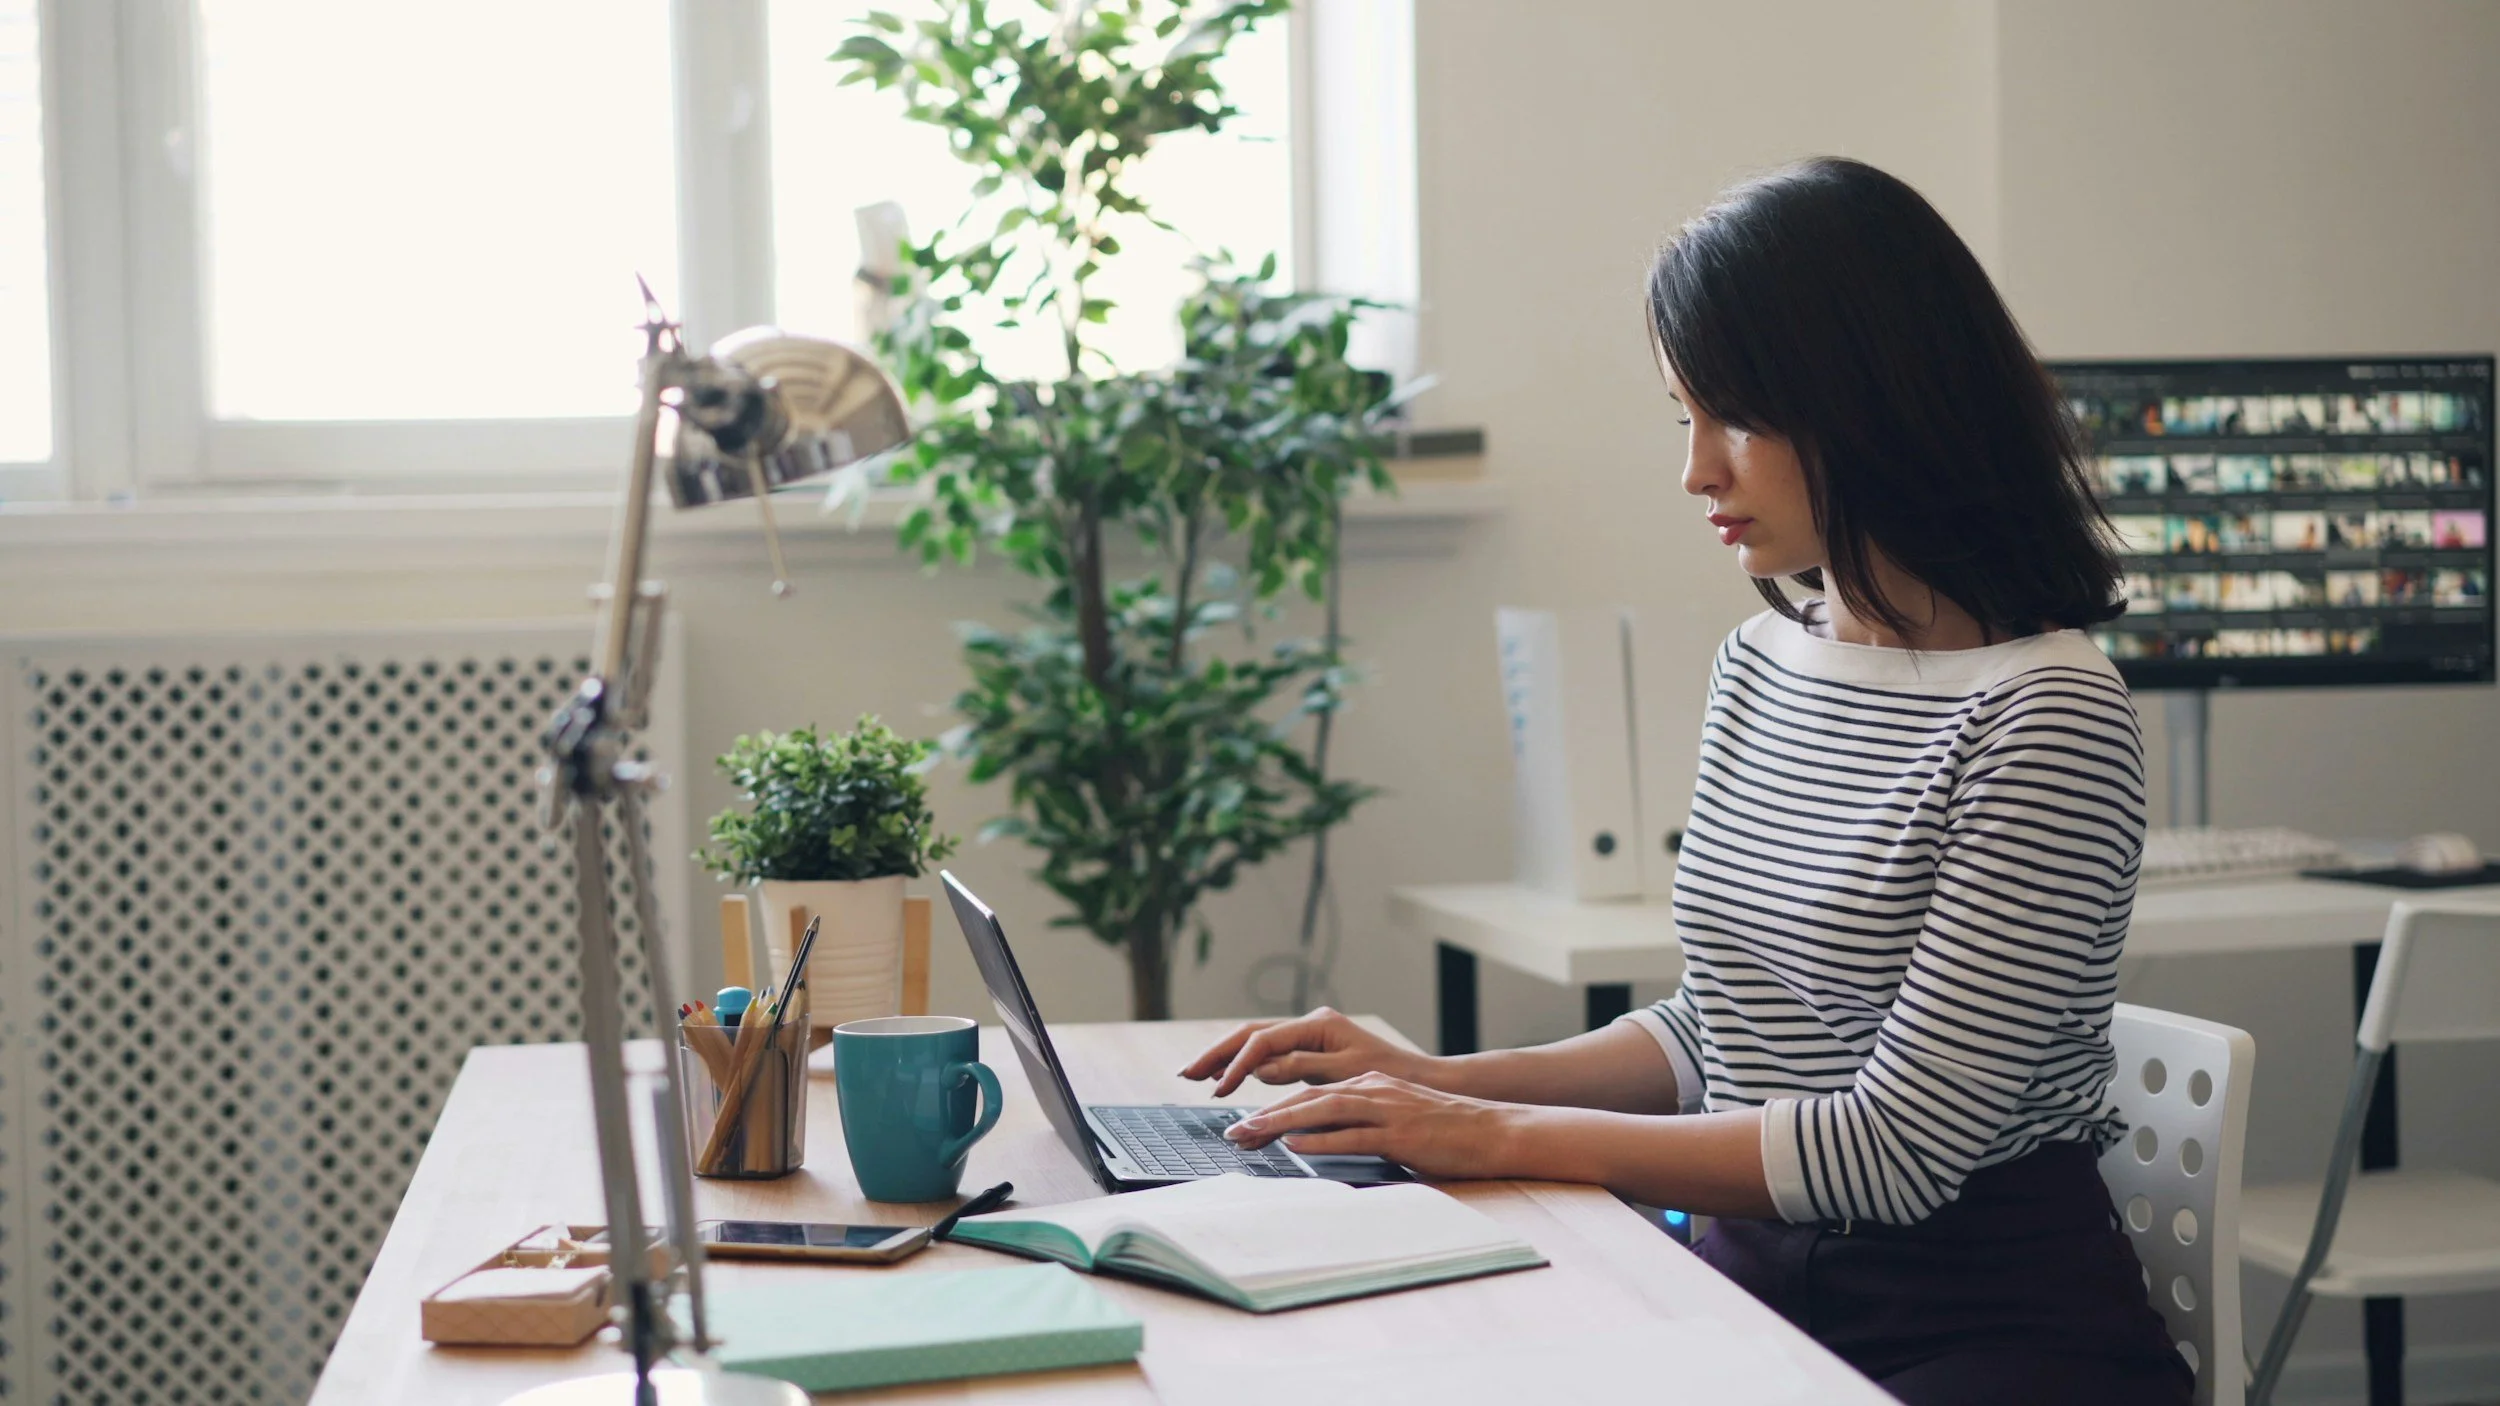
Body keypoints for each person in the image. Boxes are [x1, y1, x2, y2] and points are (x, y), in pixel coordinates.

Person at [1182, 157, 2190, 1405]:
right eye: (1683, 417)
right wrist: (1430, 1080)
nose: (1697, 470)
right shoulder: (1764, 662)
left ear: (1877, 403)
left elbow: (1895, 1149)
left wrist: (1488, 1137)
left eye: (1739, 419)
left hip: (1975, 1326)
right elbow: (1721, 1030)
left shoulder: (2047, 712)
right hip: (1743, 1283)